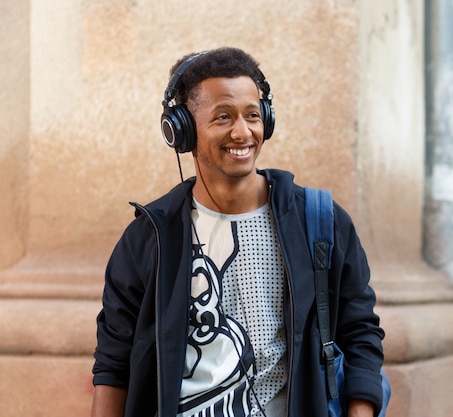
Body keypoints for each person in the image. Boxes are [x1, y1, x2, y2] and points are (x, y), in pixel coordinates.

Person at [91, 47, 385, 417]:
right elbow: (113, 361)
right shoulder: (150, 237)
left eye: (252, 115)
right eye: (223, 117)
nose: (243, 131)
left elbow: (359, 334)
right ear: (181, 130)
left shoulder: (320, 222)